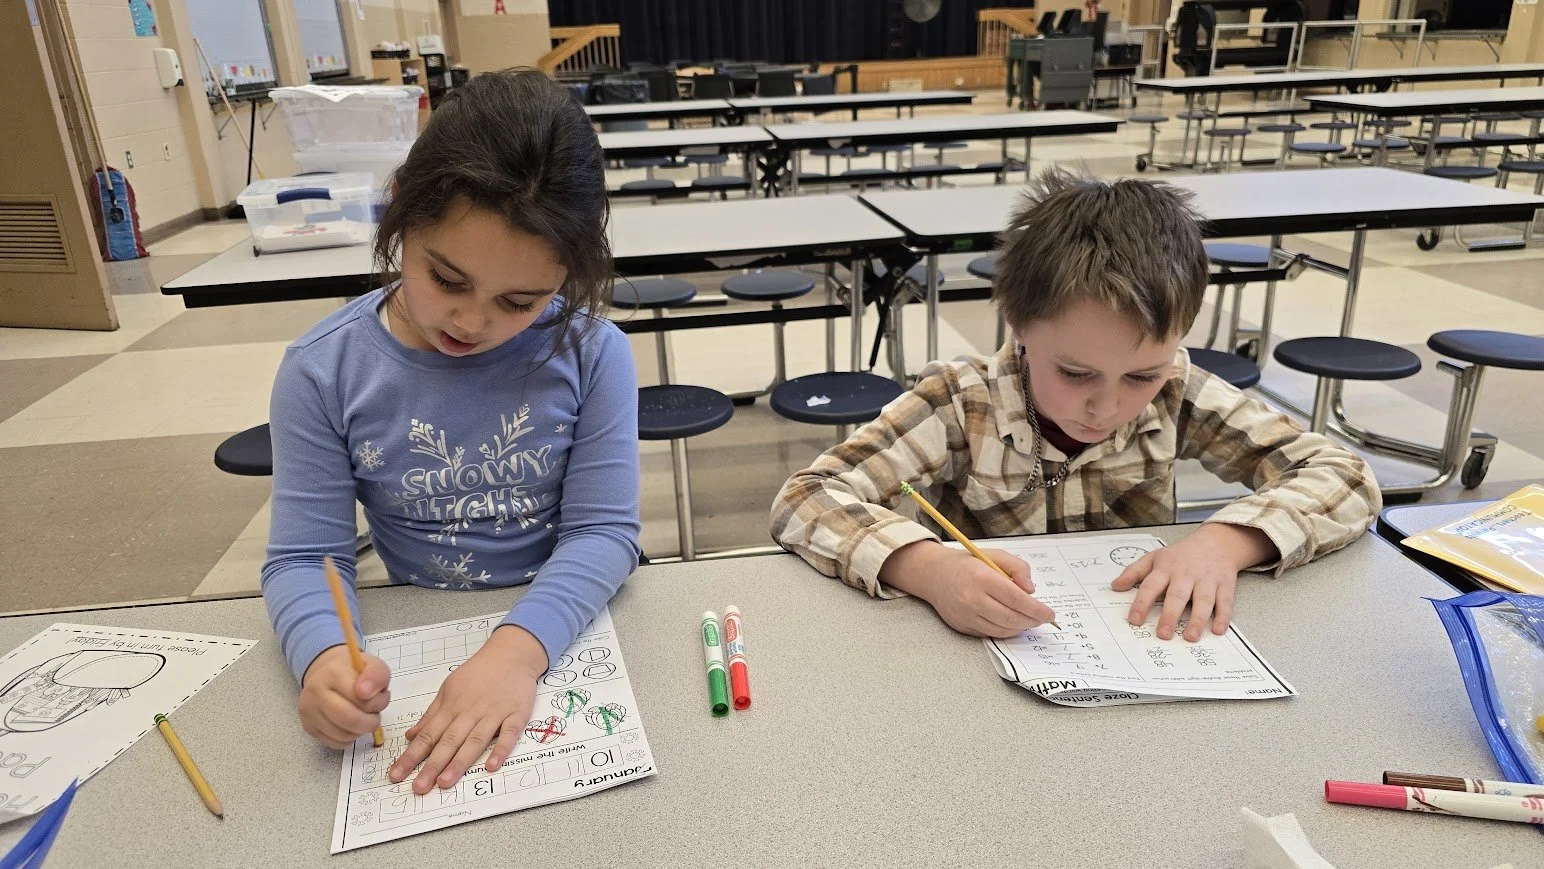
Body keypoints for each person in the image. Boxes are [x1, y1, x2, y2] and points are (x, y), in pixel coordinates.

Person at [771, 168, 1379, 644]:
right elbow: (807, 496)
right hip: (982, 652)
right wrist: (928, 568)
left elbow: (1343, 475)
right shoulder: (961, 402)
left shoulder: (1178, 390)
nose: (1105, 406)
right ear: (1019, 325)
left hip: (1137, 642)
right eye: (1075, 373)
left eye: (1141, 375)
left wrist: (1225, 541)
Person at [261, 68, 640, 796]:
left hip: (569, 622)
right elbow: (307, 556)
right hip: (420, 625)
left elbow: (603, 532)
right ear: (402, 207)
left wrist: (516, 651)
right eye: (446, 279)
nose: (470, 322)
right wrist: (324, 658)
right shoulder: (323, 371)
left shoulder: (592, 354)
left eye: (520, 302)